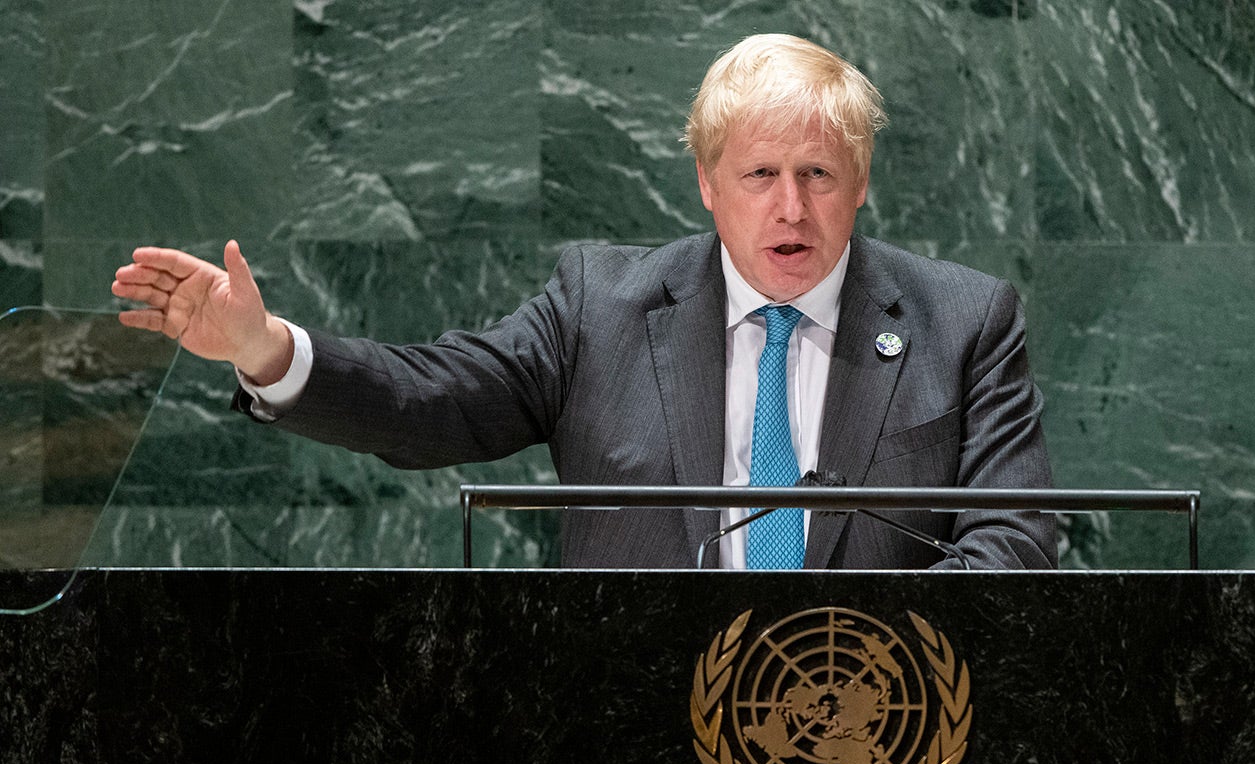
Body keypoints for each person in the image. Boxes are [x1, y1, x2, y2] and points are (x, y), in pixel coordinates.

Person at [112, 34, 1056, 571]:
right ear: (705, 184)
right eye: (760, 172)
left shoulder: (963, 321)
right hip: (619, 726)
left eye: (818, 173)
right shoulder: (599, 306)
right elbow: (437, 399)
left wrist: (856, 659)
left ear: (860, 183)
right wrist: (270, 347)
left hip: (869, 731)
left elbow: (1015, 537)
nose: (789, 206)